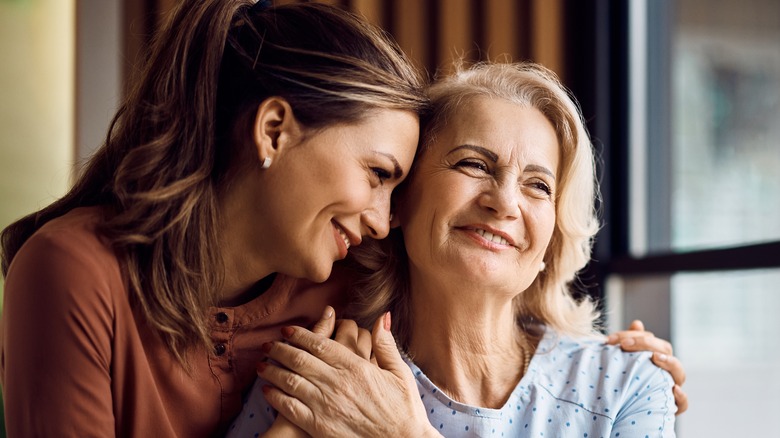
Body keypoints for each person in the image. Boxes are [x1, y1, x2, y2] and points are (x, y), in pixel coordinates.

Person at [0, 1, 427, 436]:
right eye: (377, 174)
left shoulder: (351, 299)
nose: (380, 221)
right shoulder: (73, 271)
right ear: (274, 130)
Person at [237, 62, 680, 437]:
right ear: (400, 201)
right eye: (474, 164)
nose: (504, 202)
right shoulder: (322, 376)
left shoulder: (628, 384)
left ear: (552, 240)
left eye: (538, 186)